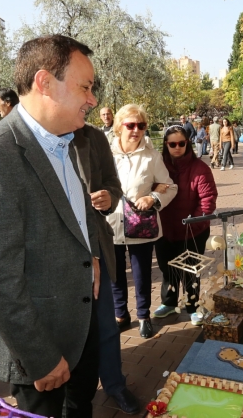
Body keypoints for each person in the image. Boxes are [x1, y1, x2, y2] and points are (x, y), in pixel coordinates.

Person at [0, 35, 102, 416]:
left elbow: (74, 216)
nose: (93, 99)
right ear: (44, 82)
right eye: (85, 87)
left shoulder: (62, 143)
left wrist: (92, 256)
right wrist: (40, 357)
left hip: (79, 326)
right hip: (39, 348)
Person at [71, 123, 139, 414]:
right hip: (56, 255)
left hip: (95, 242)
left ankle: (114, 384)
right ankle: (71, 392)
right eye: (83, 89)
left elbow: (113, 182)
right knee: (67, 330)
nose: (90, 100)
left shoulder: (94, 136)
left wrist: (110, 197)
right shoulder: (32, 137)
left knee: (106, 326)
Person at [108, 104, 176, 339]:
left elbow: (171, 186)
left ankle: (143, 315)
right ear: (119, 127)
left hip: (141, 224)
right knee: (115, 274)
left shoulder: (151, 156)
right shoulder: (105, 154)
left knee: (141, 274)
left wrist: (153, 197)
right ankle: (120, 314)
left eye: (141, 125)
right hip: (111, 222)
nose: (136, 130)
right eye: (130, 125)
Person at [154, 126, 217, 322]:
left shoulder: (199, 168)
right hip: (165, 229)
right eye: (172, 144)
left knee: (191, 271)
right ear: (166, 144)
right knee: (167, 268)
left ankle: (192, 306)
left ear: (187, 143)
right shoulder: (159, 166)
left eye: (181, 143)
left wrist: (195, 224)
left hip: (193, 230)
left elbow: (207, 200)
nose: (177, 147)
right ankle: (169, 302)